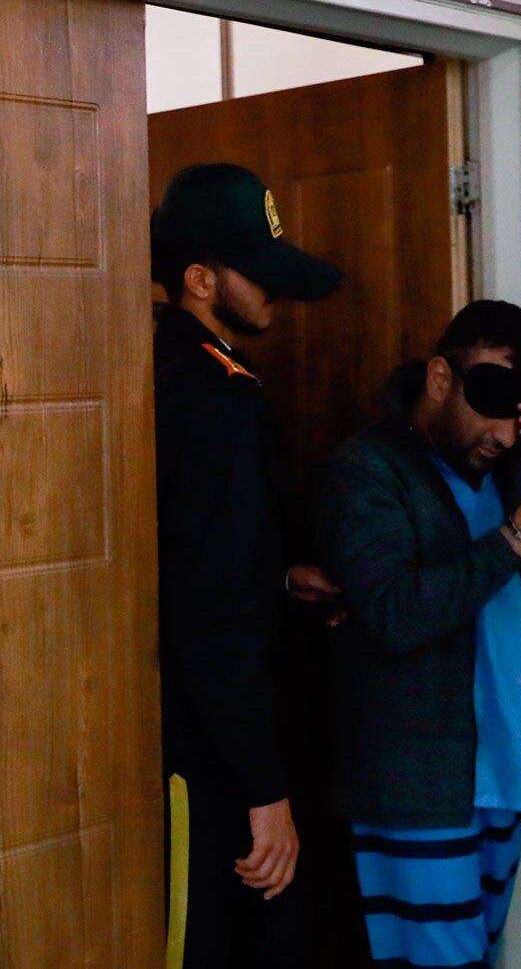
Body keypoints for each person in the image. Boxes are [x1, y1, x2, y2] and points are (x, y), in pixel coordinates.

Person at [314, 300, 521, 968]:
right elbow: (395, 613)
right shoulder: (367, 471)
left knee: (478, 956)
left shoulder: (520, 471)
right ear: (439, 379)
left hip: (507, 770)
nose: (504, 434)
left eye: (518, 410)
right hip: (416, 783)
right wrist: (519, 536)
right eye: (488, 403)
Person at [151, 162, 345, 967]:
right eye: (256, 271)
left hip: (191, 726)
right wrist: (266, 786)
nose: (276, 292)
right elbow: (212, 612)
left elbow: (193, 555)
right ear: (200, 279)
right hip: (214, 748)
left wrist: (279, 576)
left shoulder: (164, 365)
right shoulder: (218, 396)